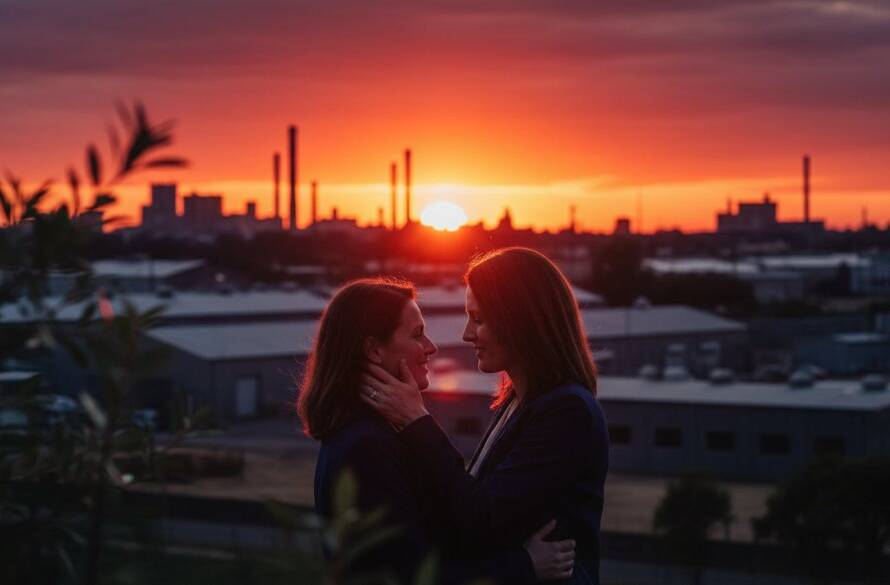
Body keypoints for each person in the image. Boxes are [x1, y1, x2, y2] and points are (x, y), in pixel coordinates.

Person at [298, 277, 575, 584]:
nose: (431, 347)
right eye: (417, 335)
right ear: (374, 350)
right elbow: (405, 576)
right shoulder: (366, 446)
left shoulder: (378, 432)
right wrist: (523, 566)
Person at [361, 248, 610, 585]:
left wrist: (417, 421)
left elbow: (481, 517)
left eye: (479, 319)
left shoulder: (567, 412)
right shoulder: (519, 401)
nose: (467, 334)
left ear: (520, 320)